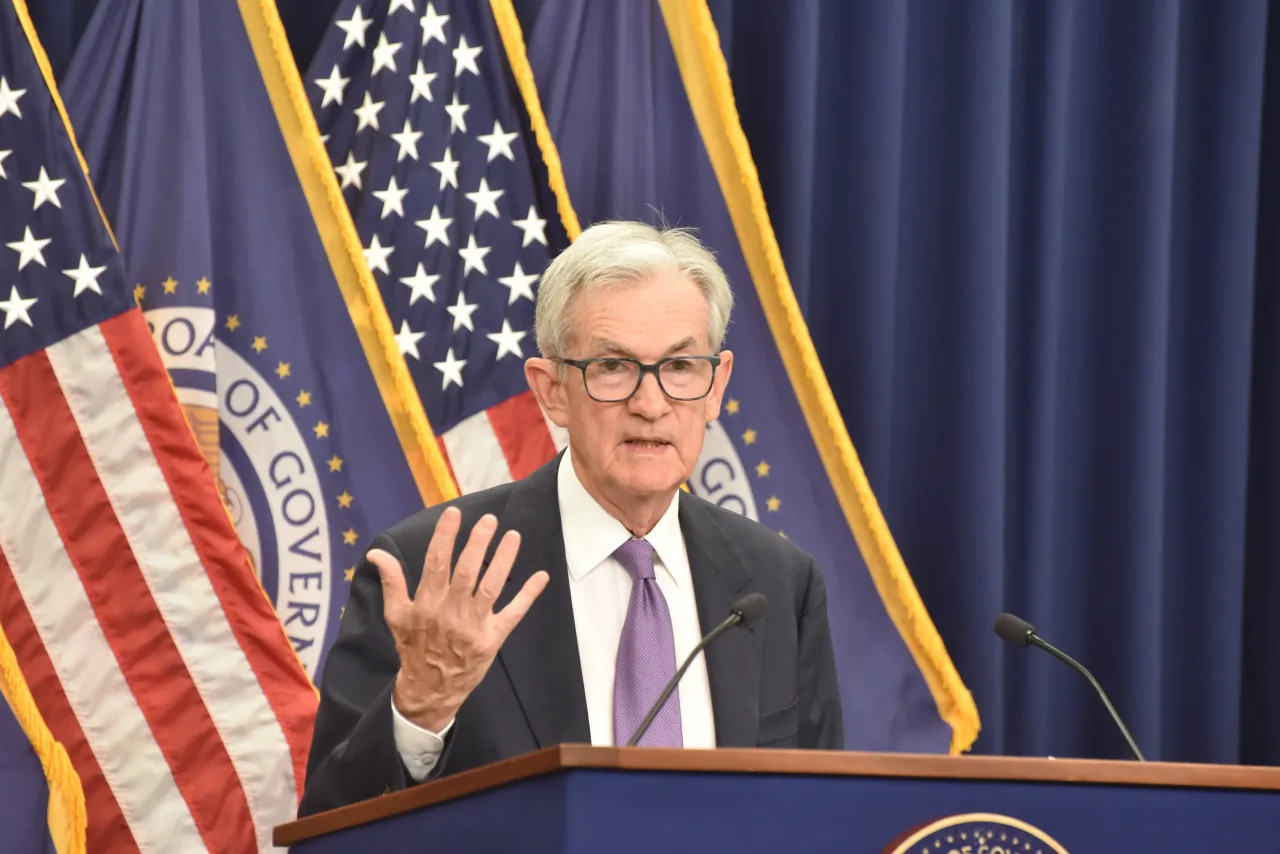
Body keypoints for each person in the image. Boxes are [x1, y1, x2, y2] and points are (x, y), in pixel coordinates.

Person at [299, 221, 843, 816]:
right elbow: (329, 830)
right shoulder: (432, 573)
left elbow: (821, 818)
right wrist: (421, 709)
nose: (651, 404)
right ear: (552, 389)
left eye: (681, 366)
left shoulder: (778, 583)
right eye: (613, 366)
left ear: (716, 385)